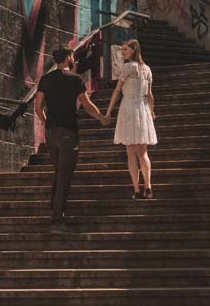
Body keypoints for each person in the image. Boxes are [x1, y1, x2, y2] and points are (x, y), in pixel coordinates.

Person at [34, 45, 105, 231]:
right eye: (72, 56)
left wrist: (46, 122)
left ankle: (54, 208)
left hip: (51, 133)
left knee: (58, 171)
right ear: (67, 58)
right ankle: (57, 221)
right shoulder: (76, 80)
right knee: (65, 174)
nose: (74, 58)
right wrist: (101, 117)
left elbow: (38, 106)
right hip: (68, 133)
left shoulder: (46, 79)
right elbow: (87, 104)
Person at [103, 39, 158, 199]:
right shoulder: (147, 69)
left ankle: (136, 189)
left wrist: (108, 112)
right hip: (143, 109)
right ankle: (148, 187)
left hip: (128, 108)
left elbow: (117, 91)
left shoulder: (127, 67)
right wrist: (151, 112)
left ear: (133, 50)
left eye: (125, 50)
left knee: (131, 153)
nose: (123, 53)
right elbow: (150, 95)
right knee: (143, 152)